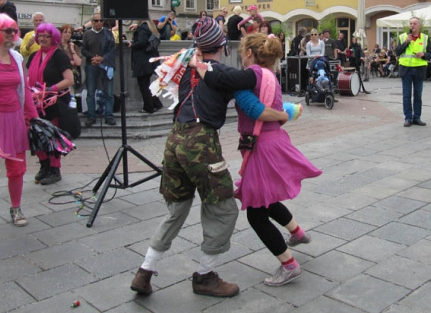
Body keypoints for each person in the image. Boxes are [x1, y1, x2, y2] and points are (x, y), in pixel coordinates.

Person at [130, 18, 286, 298]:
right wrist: (284, 113)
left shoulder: (187, 67)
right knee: (224, 208)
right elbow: (250, 92)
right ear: (224, 46)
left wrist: (197, 62)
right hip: (199, 141)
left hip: (174, 139)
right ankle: (204, 275)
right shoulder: (223, 72)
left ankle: (144, 272)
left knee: (177, 210)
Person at [198, 33, 322, 287]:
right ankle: (297, 234)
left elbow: (255, 110)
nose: (240, 56)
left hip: (262, 147)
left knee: (256, 214)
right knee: (267, 199)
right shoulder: (269, 75)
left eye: (242, 51)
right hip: (273, 141)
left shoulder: (250, 77)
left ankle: (289, 265)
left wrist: (200, 68)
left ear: (250, 54)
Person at [0, 14, 38, 225]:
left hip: (13, 118)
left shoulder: (17, 58)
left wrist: (33, 118)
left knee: (16, 168)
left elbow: (24, 88)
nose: (13, 35)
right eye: (8, 31)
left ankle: (16, 208)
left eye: (14, 31)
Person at [26, 23, 74, 185]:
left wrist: (49, 90)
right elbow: (27, 79)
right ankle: (44, 166)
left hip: (54, 101)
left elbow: (69, 80)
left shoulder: (59, 55)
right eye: (40, 36)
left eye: (47, 36)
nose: (43, 39)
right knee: (36, 135)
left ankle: (55, 169)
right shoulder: (33, 56)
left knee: (52, 137)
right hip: (35, 102)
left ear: (53, 38)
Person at [395, 17, 431, 127]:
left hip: (419, 69)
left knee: (418, 95)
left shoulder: (425, 38)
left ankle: (417, 117)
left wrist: (424, 55)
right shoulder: (403, 37)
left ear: (419, 25)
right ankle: (408, 118)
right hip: (406, 69)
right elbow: (397, 51)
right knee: (406, 95)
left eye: (414, 23)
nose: (412, 25)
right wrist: (406, 42)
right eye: (411, 23)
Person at [81, 13, 116, 126]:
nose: (99, 22)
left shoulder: (108, 33)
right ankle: (91, 116)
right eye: (96, 21)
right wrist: (93, 57)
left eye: (101, 20)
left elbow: (112, 49)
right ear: (92, 22)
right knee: (90, 92)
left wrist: (102, 59)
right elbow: (83, 49)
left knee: (109, 92)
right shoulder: (87, 34)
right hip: (91, 64)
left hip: (106, 65)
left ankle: (109, 115)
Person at [129, 19, 163, 114]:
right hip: (149, 59)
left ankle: (148, 106)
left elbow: (141, 42)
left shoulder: (143, 29)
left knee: (143, 85)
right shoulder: (150, 27)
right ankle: (156, 103)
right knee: (146, 84)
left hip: (143, 61)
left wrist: (132, 45)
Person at [59, 25, 83, 94]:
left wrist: (72, 49)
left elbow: (78, 62)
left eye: (69, 33)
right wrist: (71, 62)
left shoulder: (74, 46)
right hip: (59, 75)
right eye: (65, 32)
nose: (67, 34)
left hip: (71, 76)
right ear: (61, 33)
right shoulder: (56, 46)